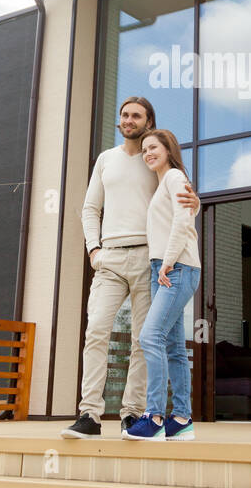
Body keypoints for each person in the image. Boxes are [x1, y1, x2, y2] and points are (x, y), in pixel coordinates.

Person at [62, 96, 198, 439]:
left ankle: (132, 413)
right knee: (96, 332)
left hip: (147, 258)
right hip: (109, 258)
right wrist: (93, 249)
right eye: (124, 115)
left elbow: (180, 200)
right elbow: (90, 208)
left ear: (148, 121)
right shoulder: (106, 160)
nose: (129, 120)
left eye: (136, 115)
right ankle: (89, 415)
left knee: (142, 339)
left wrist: (196, 201)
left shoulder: (155, 160)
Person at [124, 128, 201, 442]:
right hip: (165, 267)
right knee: (173, 348)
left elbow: (183, 221)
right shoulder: (162, 184)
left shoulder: (174, 178)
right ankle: (181, 419)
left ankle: (154, 417)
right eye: (144, 150)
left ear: (169, 149)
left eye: (153, 147)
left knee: (149, 336)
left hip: (176, 266)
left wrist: (167, 261)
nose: (148, 153)